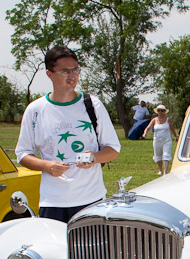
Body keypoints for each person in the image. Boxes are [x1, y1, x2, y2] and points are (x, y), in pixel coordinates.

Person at [15, 45, 121, 223]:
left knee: (92, 244)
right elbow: (23, 154)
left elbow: (113, 150)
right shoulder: (35, 110)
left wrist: (94, 157)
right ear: (49, 74)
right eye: (65, 71)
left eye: (75, 70)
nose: (72, 76)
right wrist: (47, 166)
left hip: (91, 201)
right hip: (53, 203)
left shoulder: (93, 105)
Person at [141, 104, 178, 175]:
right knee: (158, 156)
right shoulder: (154, 120)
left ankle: (165, 172)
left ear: (164, 112)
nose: (160, 112)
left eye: (162, 111)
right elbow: (148, 127)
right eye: (159, 110)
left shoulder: (168, 120)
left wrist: (175, 137)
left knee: (166, 155)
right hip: (157, 141)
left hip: (167, 141)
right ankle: (160, 170)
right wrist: (145, 133)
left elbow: (172, 129)